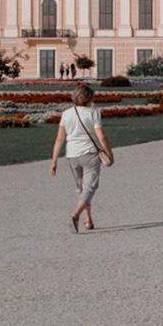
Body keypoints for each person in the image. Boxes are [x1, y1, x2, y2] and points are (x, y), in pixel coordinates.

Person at [49, 84, 113, 232]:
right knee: (89, 187)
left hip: (72, 155)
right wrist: (110, 154)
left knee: (81, 187)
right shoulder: (93, 113)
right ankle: (75, 214)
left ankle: (88, 220)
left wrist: (54, 161)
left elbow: (59, 139)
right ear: (90, 98)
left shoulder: (66, 114)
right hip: (89, 153)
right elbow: (101, 137)